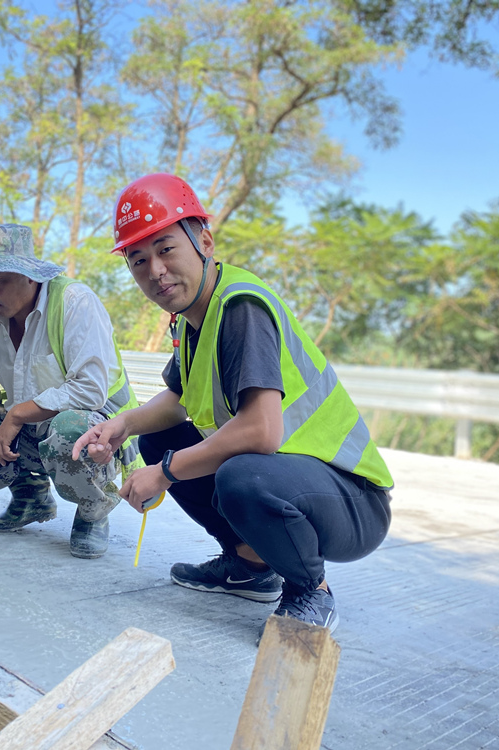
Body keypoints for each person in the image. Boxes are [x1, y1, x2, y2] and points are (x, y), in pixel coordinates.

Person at [73, 174, 393, 630]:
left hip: (352, 501)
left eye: (166, 249)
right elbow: (177, 402)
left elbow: (261, 432)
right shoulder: (192, 320)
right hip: (293, 481)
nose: (155, 270)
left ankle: (310, 590)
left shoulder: (240, 307)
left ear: (205, 242)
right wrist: (122, 424)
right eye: (138, 260)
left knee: (239, 475)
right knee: (159, 439)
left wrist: (164, 473)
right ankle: (250, 565)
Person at [0, 223, 142, 558]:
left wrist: (18, 414)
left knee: (69, 428)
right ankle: (31, 497)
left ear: (30, 276)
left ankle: (94, 509)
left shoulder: (74, 302)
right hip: (30, 431)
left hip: (97, 433)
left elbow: (89, 389)